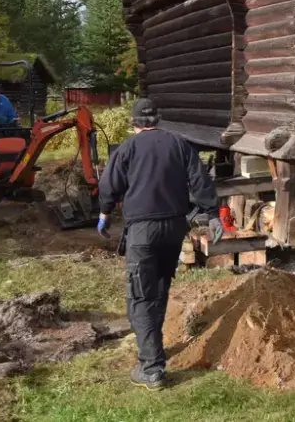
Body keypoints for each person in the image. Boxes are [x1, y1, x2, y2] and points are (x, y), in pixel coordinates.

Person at [97, 98, 223, 391]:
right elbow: (200, 179)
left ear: (133, 122)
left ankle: (151, 368)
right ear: (159, 118)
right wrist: (214, 214)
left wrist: (104, 214)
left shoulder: (127, 148)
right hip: (174, 228)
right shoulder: (178, 144)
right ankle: (154, 349)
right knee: (160, 287)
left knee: (140, 295)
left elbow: (109, 185)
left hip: (143, 230)